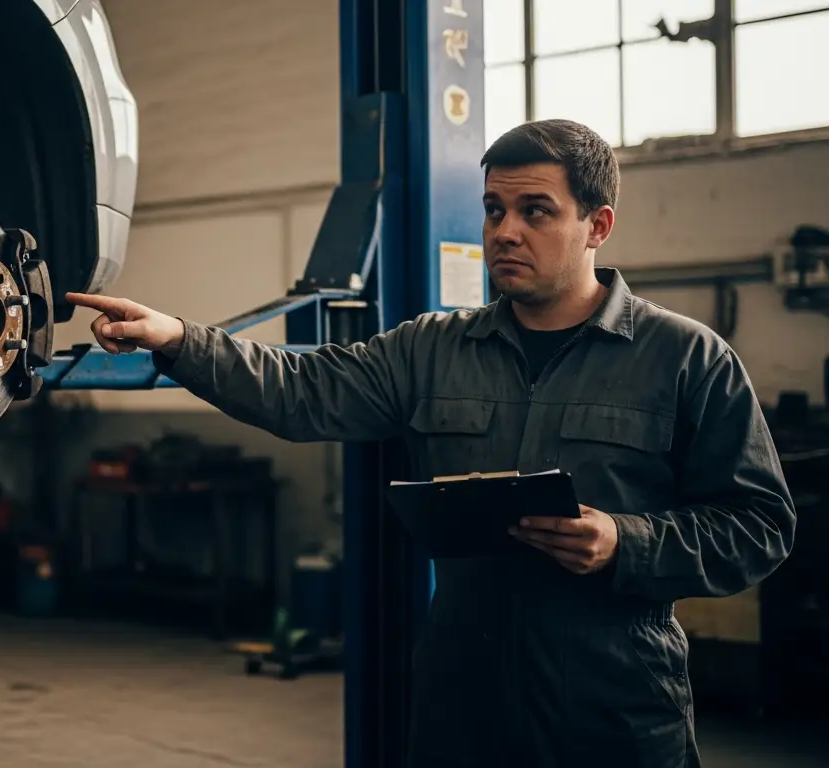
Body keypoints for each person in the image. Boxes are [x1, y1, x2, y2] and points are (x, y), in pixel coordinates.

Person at [65, 119, 795, 768]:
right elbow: (301, 392)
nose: (505, 231)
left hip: (614, 703)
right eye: (494, 209)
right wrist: (178, 341)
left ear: (597, 225)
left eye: (535, 211)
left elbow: (760, 526)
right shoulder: (431, 349)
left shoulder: (685, 360)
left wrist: (625, 541)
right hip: (463, 699)